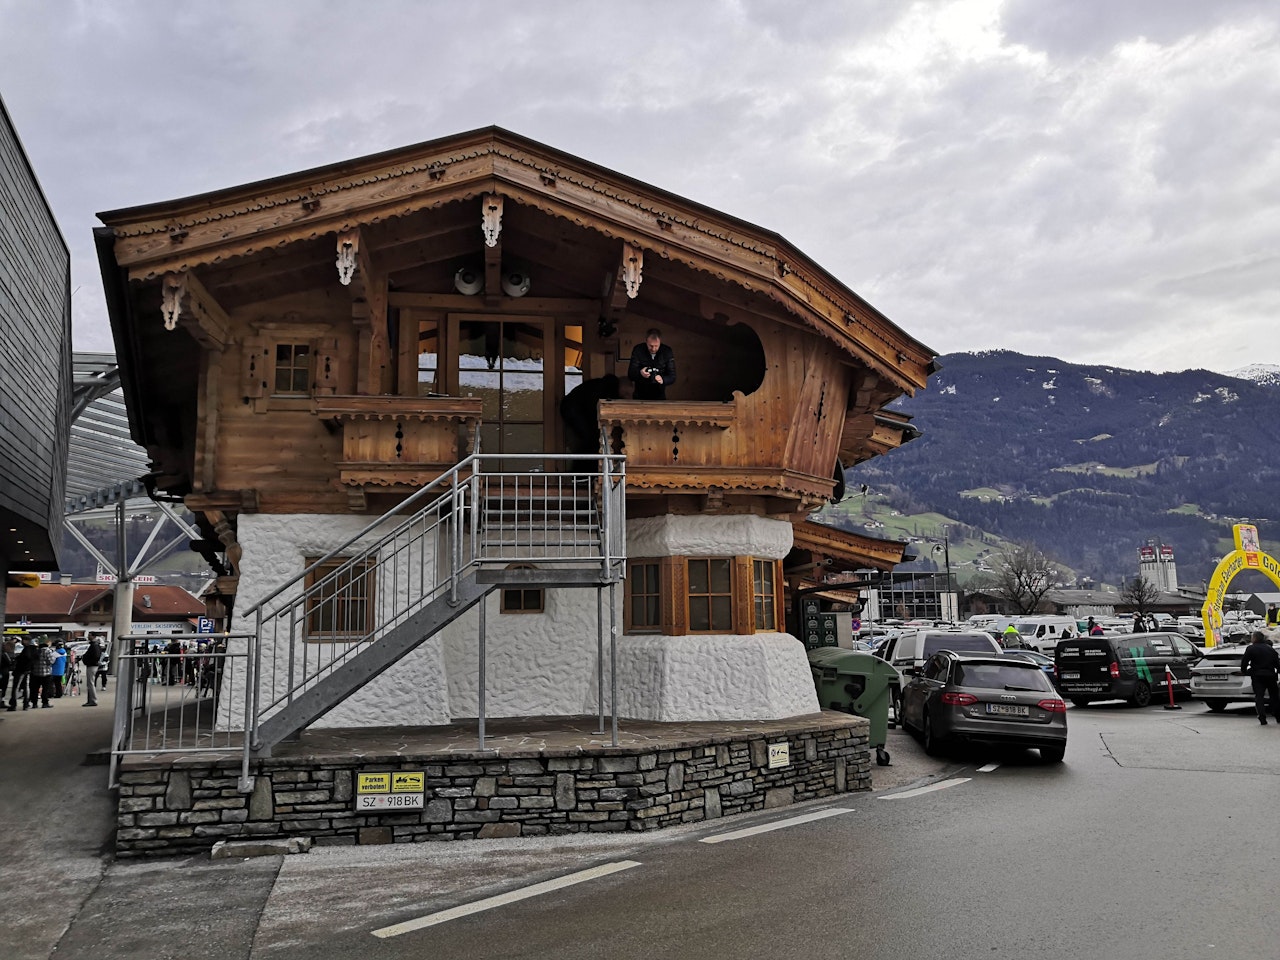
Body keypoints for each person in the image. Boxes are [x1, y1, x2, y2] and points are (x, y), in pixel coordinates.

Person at [560, 374, 621, 454]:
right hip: (574, 409)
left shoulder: (602, 385)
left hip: (573, 407)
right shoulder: (605, 390)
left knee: (589, 438)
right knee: (590, 438)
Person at [1240, 631, 1280, 725]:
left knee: (1259, 697)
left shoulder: (1251, 648)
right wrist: (1277, 672)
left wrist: (1244, 671)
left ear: (1255, 638)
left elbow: (1244, 661)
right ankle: (1278, 716)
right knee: (1274, 697)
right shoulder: (1270, 649)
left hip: (1257, 676)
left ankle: (1262, 718)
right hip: (1270, 675)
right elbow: (1277, 663)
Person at [627, 328, 676, 401]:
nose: (653, 349)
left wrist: (662, 379)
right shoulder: (638, 350)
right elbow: (631, 374)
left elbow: (672, 376)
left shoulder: (667, 351)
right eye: (651, 346)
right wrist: (640, 373)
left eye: (656, 346)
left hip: (659, 396)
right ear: (646, 341)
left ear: (660, 342)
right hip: (640, 396)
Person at [33, 639, 58, 708]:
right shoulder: (48, 651)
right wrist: (54, 658)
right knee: (45, 689)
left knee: (35, 689)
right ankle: (45, 703)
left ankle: (34, 703)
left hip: (36, 673)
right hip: (46, 673)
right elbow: (50, 661)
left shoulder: (36, 651)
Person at [80, 638, 103, 707]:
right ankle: (91, 700)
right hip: (93, 665)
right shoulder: (96, 646)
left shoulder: (94, 646)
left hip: (92, 665)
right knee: (90, 683)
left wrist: (87, 660)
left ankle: (93, 700)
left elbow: (95, 656)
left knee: (90, 683)